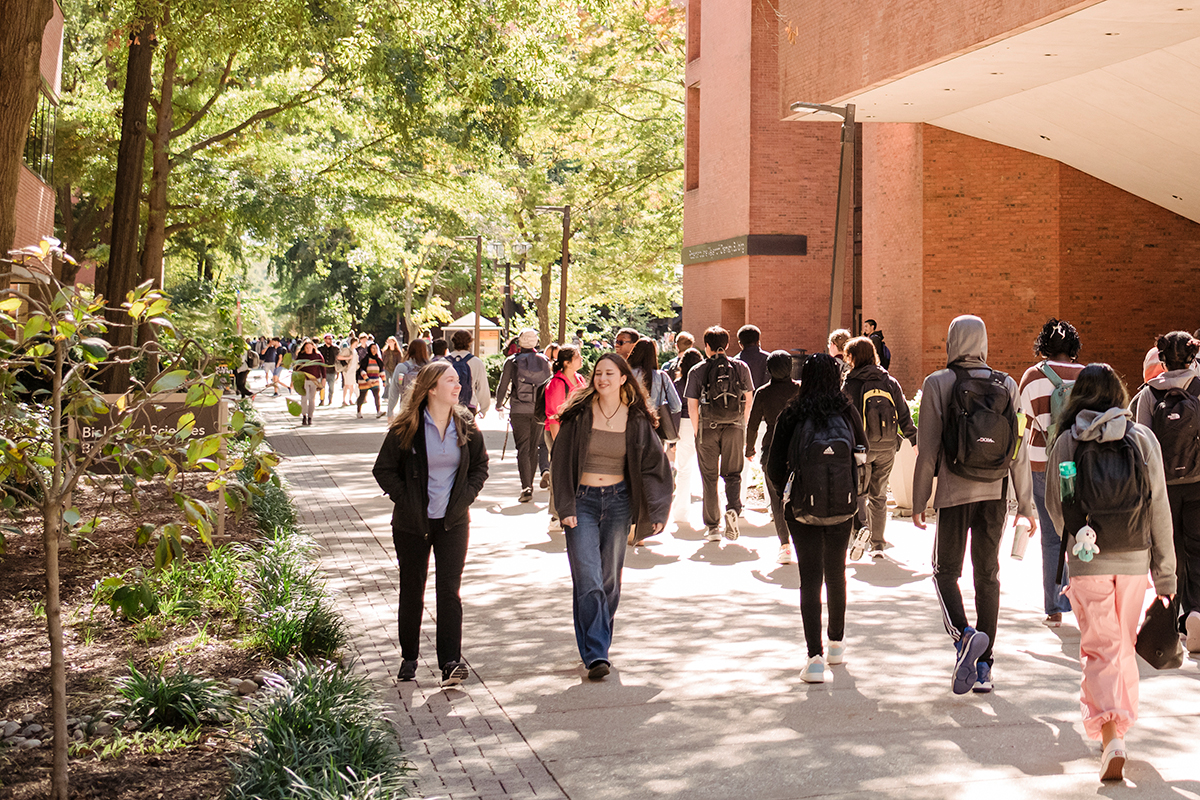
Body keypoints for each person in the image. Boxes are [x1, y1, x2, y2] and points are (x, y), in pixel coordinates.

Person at [1046, 363, 1175, 782]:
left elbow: (1055, 504)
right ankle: (1120, 727)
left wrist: (1078, 538)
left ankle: (1110, 736)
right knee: (1121, 644)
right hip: (1136, 559)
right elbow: (1159, 509)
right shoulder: (1142, 438)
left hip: (1090, 560)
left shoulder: (1068, 441)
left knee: (1100, 648)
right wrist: (1166, 573)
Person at [912, 314, 1036, 695]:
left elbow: (928, 449)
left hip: (953, 493)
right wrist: (1026, 507)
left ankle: (965, 636)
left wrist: (920, 500)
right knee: (988, 576)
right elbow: (1018, 450)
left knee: (944, 571)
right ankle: (985, 667)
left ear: (952, 342)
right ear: (983, 342)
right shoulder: (1007, 383)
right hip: (995, 495)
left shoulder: (938, 382)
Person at [551, 353, 672, 679]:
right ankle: (596, 654)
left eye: (610, 373)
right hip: (582, 503)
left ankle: (595, 643)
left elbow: (654, 465)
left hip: (618, 503)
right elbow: (560, 462)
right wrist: (565, 508)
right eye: (598, 373)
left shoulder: (635, 420)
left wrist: (657, 509)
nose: (602, 378)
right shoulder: (578, 416)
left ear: (623, 379)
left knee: (608, 581)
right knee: (588, 578)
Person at [373, 362, 489, 686]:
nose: (458, 386)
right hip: (412, 524)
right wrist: (407, 499)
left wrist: (465, 496)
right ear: (432, 388)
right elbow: (383, 470)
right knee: (413, 589)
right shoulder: (407, 426)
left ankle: (450, 662)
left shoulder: (466, 424)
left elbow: (481, 466)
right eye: (451, 380)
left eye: (457, 381)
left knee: (449, 591)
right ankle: (409, 657)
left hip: (453, 522)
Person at [767, 353, 867, 682]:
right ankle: (836, 644)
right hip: (842, 504)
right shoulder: (848, 412)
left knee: (810, 580)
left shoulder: (792, 413)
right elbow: (864, 455)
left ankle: (814, 658)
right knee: (836, 573)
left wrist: (789, 491)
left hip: (802, 508)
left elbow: (773, 465)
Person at [1131, 331, 1200, 650]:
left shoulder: (1148, 394)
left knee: (1168, 553)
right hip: (1198, 483)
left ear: (1162, 358)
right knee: (1197, 550)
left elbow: (1141, 443)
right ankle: (1196, 613)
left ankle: (1171, 619)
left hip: (1164, 486)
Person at [1018, 319, 1086, 627]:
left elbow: (1021, 423)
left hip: (1042, 463)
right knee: (1082, 532)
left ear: (1043, 345)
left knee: (1050, 536)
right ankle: (1085, 602)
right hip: (1080, 464)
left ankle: (1055, 607)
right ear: (1072, 347)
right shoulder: (1086, 376)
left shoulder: (1033, 376)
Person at [842, 336, 917, 557]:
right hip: (887, 446)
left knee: (858, 493)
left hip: (860, 448)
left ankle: (859, 533)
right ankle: (878, 545)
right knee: (879, 495)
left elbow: (846, 415)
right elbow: (904, 413)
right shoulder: (889, 381)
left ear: (854, 357)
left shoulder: (852, 382)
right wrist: (914, 440)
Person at [684, 326, 754, 541]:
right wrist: (742, 425)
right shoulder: (740, 367)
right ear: (728, 344)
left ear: (706, 347)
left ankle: (713, 527)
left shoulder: (696, 370)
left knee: (709, 477)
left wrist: (697, 432)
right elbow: (748, 401)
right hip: (734, 427)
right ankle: (733, 508)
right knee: (733, 474)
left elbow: (692, 406)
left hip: (707, 428)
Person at [746, 350, 800, 564]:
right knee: (799, 496)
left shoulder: (763, 393)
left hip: (772, 448)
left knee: (777, 499)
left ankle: (784, 545)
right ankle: (802, 540)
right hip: (798, 448)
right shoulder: (800, 389)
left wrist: (749, 448)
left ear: (768, 370)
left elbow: (752, 425)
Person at [628, 338, 682, 543]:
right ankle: (644, 529)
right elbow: (676, 406)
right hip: (654, 433)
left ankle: (630, 527)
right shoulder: (661, 376)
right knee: (648, 479)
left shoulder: (627, 375)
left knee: (629, 477)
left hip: (629, 430)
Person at [496, 329, 552, 502]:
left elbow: (503, 385)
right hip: (538, 410)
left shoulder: (511, 362)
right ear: (536, 343)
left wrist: (498, 404)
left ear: (519, 342)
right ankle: (530, 484)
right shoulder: (545, 361)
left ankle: (526, 486)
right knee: (534, 447)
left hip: (519, 409)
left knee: (523, 448)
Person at [544, 345, 587, 531]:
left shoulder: (579, 379)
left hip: (577, 432)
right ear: (567, 362)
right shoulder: (556, 383)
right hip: (559, 433)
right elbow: (553, 415)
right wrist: (558, 443)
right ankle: (555, 516)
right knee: (560, 472)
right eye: (577, 356)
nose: (581, 359)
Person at [670, 347, 705, 525]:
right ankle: (713, 511)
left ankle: (680, 513)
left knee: (683, 470)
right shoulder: (704, 380)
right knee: (708, 470)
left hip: (683, 425)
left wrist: (672, 439)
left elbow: (674, 410)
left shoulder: (678, 383)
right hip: (703, 424)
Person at [445, 330, 492, 417]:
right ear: (470, 343)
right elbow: (483, 387)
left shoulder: (443, 361)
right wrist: (484, 409)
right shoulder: (476, 362)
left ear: (453, 342)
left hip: (446, 406)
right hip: (469, 406)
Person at [388, 339, 431, 420]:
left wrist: (390, 411)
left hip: (406, 409)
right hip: (427, 410)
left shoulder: (402, 367)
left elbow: (394, 390)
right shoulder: (430, 368)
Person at [292, 339, 325, 425]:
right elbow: (296, 367)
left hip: (315, 380)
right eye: (307, 347)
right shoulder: (301, 355)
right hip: (304, 379)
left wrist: (323, 379)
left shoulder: (318, 356)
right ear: (304, 348)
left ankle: (310, 416)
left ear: (313, 347)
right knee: (304, 398)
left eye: (310, 347)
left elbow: (322, 367)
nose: (308, 349)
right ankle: (304, 416)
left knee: (311, 399)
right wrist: (293, 380)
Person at [356, 342, 386, 419]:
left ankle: (378, 411)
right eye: (373, 348)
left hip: (375, 381)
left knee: (377, 396)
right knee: (362, 396)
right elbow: (362, 370)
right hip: (364, 382)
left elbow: (381, 371)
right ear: (369, 349)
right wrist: (367, 379)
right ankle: (359, 412)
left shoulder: (379, 360)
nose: (374, 350)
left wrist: (384, 381)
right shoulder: (365, 359)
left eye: (375, 348)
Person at [735, 324, 769, 389]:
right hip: (766, 397)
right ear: (758, 341)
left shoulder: (735, 362)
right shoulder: (769, 358)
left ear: (740, 344)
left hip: (744, 398)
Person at [318, 333, 340, 406]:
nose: (330, 340)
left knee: (331, 387)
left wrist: (338, 371)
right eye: (329, 339)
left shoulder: (335, 349)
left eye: (331, 339)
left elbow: (337, 360)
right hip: (322, 371)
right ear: (325, 339)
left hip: (332, 370)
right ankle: (322, 400)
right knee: (322, 387)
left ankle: (330, 399)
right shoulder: (320, 349)